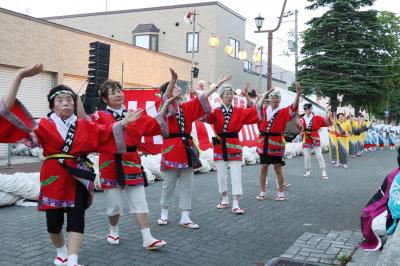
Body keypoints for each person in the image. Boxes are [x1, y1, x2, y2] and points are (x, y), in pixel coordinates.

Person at [1, 64, 143, 266]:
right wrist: (19, 76)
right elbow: (7, 112)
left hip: (78, 176)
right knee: (53, 224)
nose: (66, 103)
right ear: (52, 106)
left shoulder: (85, 125)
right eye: (60, 100)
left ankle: (73, 260)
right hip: (53, 177)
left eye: (70, 99)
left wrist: (123, 123)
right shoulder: (42, 126)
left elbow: (106, 132)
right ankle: (61, 252)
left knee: (77, 219)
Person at [81, 79, 177, 249]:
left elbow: (154, 125)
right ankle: (113, 229)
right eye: (113, 92)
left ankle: (147, 237)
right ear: (104, 99)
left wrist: (165, 106)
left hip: (131, 160)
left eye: (119, 90)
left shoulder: (135, 113)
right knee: (115, 205)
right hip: (109, 163)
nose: (118, 94)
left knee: (140, 201)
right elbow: (92, 131)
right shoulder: (100, 116)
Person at [157, 69, 228, 229]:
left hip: (186, 147)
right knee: (169, 183)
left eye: (178, 87)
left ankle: (185, 216)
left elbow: (202, 98)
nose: (178, 89)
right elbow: (167, 97)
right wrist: (172, 80)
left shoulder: (187, 107)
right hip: (172, 147)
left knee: (187, 183)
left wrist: (217, 85)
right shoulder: (166, 107)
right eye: (175, 87)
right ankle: (164, 214)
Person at [203, 82, 258, 214]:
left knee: (236, 174)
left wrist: (257, 100)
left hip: (234, 141)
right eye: (226, 94)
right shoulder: (216, 111)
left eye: (230, 94)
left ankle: (236, 202)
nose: (229, 96)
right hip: (218, 141)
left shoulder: (239, 111)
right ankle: (224, 198)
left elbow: (254, 111)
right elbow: (204, 115)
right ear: (221, 96)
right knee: (221, 174)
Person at [255, 82, 301, 201]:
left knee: (278, 168)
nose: (274, 99)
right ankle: (262, 191)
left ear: (280, 100)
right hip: (264, 142)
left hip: (276, 143)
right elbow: (254, 107)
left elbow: (294, 107)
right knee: (263, 167)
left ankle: (280, 192)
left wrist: (298, 93)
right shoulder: (263, 111)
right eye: (272, 97)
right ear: (269, 99)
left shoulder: (283, 111)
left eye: (277, 97)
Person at [360, 148, 400, 251]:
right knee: (378, 225)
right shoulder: (395, 176)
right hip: (387, 214)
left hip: (391, 211)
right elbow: (393, 205)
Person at [296, 103, 332, 179]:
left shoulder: (317, 118)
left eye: (309, 108)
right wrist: (296, 117)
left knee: (319, 155)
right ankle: (307, 170)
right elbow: (299, 127)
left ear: (311, 109)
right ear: (304, 110)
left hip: (315, 136)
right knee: (307, 156)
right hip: (306, 137)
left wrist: (326, 114)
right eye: (306, 109)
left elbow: (327, 122)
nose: (308, 110)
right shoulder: (302, 119)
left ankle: (323, 171)